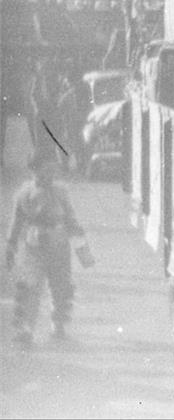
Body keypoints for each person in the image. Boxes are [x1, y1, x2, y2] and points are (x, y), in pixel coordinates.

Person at [5, 146, 87, 347]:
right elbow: (16, 223)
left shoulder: (60, 192)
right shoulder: (24, 194)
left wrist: (82, 246)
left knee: (61, 286)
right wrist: (11, 246)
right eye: (46, 169)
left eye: (53, 170)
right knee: (30, 286)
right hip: (34, 246)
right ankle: (26, 329)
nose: (50, 174)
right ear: (34, 169)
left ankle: (58, 323)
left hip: (59, 244)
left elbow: (71, 218)